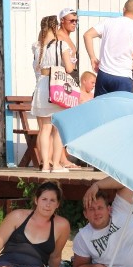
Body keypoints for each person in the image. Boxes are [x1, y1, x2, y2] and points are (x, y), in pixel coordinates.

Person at [30, 10, 76, 173]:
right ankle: (56, 164)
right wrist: (72, 61)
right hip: (56, 87)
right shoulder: (61, 45)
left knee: (44, 129)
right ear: (55, 27)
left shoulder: (37, 47)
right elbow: (69, 68)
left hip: (42, 87)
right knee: (57, 129)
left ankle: (44, 165)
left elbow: (36, 68)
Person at [83, 0, 133, 97]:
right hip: (123, 77)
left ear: (124, 9)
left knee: (101, 110)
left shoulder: (108, 22)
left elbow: (87, 35)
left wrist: (92, 58)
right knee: (120, 111)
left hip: (104, 74)